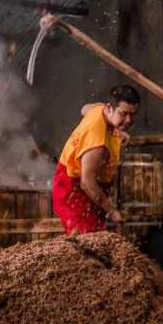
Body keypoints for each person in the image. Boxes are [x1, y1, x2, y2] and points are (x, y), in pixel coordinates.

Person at [52, 85, 140, 234]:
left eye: (133, 114)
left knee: (97, 237)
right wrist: (111, 211)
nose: (128, 120)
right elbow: (87, 183)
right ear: (109, 108)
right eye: (123, 114)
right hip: (75, 194)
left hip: (88, 190)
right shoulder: (97, 144)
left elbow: (85, 108)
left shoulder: (98, 110)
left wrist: (118, 129)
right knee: (90, 241)